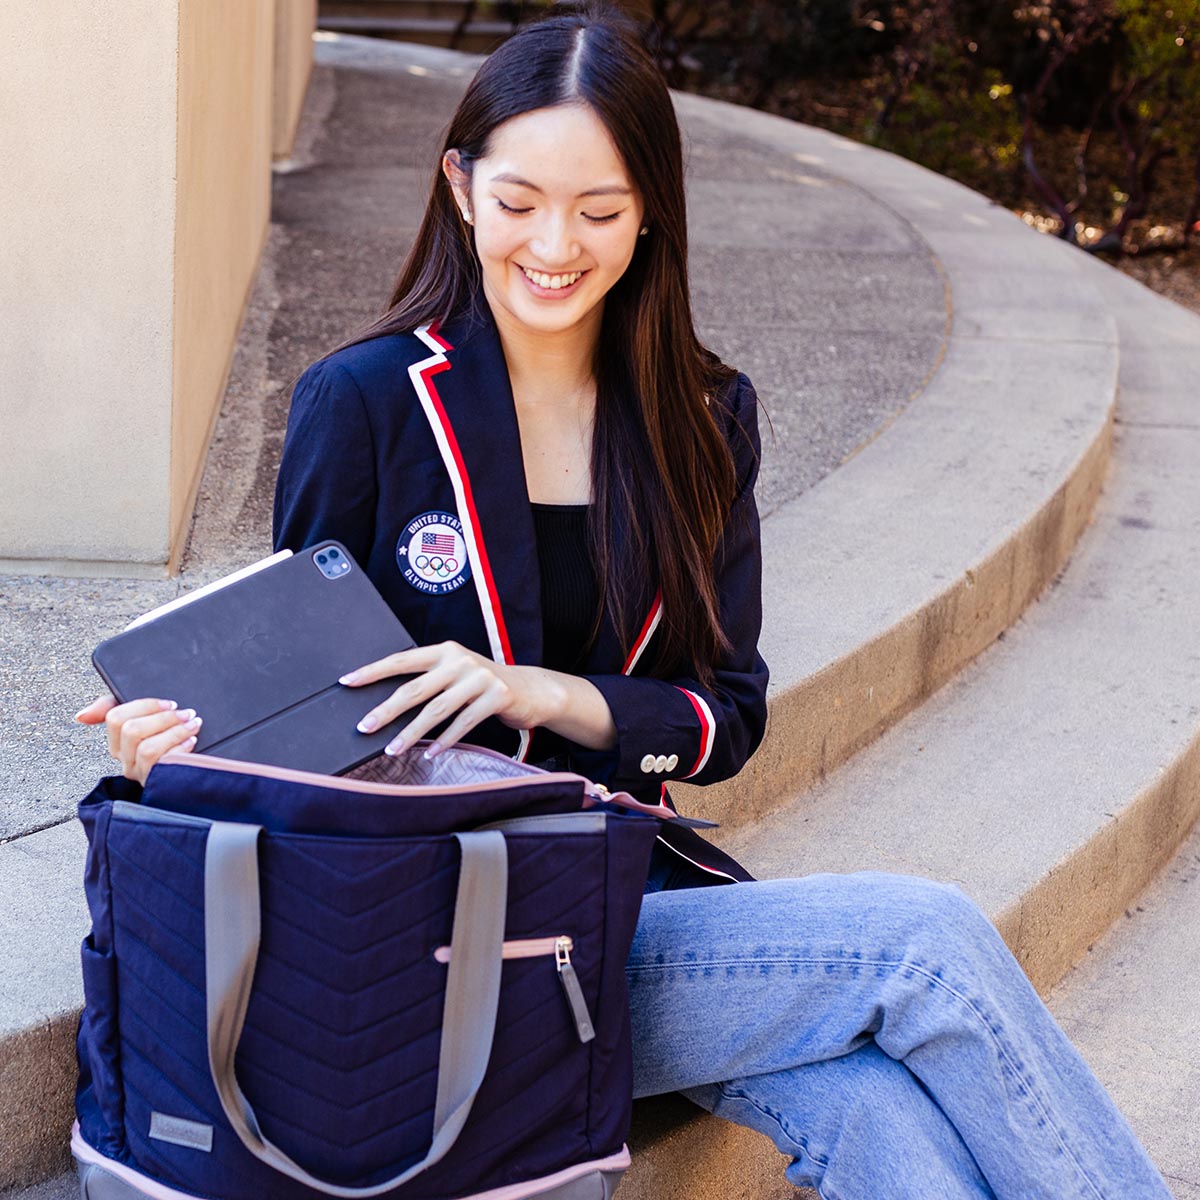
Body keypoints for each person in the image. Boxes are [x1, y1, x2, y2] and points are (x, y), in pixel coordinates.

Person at [77, 4, 1172, 1196]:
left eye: (598, 211)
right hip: (447, 933)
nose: (556, 245)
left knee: (869, 1108)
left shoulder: (705, 418)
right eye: (519, 204)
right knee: (925, 944)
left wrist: (544, 693)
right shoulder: (369, 403)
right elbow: (295, 706)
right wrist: (173, 758)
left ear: (650, 206)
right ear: (460, 188)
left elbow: (726, 715)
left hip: (621, 898)